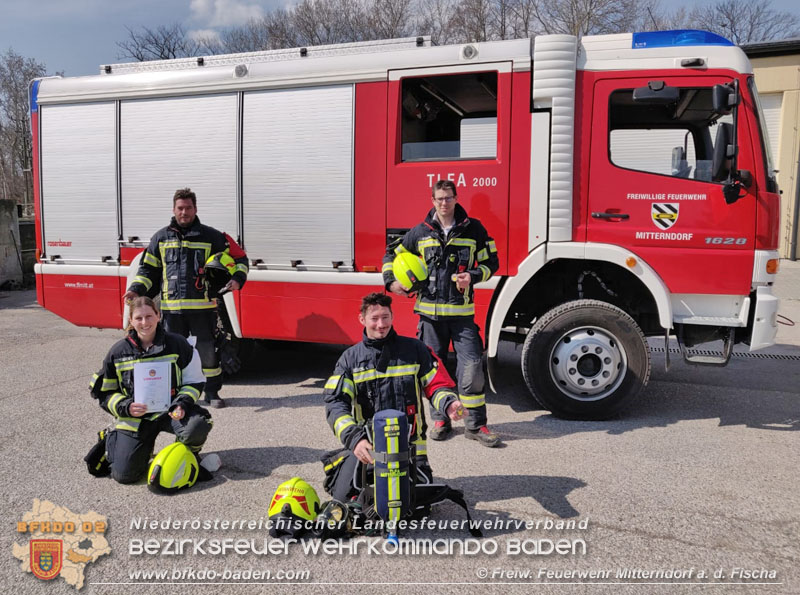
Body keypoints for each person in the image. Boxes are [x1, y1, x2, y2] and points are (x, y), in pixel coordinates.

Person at [383, 179, 500, 447]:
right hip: (429, 317)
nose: (444, 203)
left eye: (448, 198)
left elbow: (492, 262)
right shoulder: (420, 232)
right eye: (439, 199)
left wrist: (472, 275)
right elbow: (391, 255)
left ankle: (476, 425)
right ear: (432, 201)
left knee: (471, 368)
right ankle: (440, 420)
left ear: (456, 198)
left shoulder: (474, 229)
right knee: (434, 370)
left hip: (462, 316)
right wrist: (392, 283)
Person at [323, 293, 467, 502]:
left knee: (418, 503)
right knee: (346, 501)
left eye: (385, 317)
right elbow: (335, 402)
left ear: (392, 317)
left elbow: (437, 384)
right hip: (370, 447)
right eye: (374, 318)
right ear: (362, 320)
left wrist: (449, 403)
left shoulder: (415, 349)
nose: (381, 324)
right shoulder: (350, 359)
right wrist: (355, 440)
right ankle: (346, 462)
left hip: (410, 448)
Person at [122, 188, 248, 408]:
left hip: (203, 309)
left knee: (207, 352)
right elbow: (148, 270)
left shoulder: (212, 236)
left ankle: (212, 392)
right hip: (171, 312)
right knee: (171, 354)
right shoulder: (160, 238)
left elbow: (240, 259)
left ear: (195, 209)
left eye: (188, 208)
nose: (184, 212)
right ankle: (174, 394)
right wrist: (135, 290)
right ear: (174, 209)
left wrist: (237, 279)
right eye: (180, 208)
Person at [90, 296, 212, 484]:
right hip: (136, 417)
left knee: (197, 426)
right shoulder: (118, 352)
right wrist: (126, 406)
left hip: (171, 412)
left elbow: (194, 381)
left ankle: (188, 454)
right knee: (124, 476)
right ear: (131, 321)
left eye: (149, 316)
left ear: (158, 316)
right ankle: (117, 441)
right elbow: (105, 392)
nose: (144, 322)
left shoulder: (178, 344)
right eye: (138, 318)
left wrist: (181, 404)